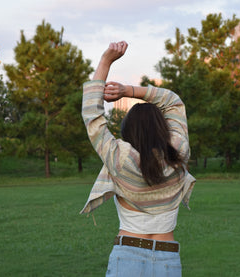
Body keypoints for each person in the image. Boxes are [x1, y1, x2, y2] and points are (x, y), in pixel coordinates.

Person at [80, 41, 196, 277]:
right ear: (163, 128)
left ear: (128, 132)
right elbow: (173, 101)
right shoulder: (179, 153)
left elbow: (92, 114)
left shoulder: (120, 158)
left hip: (127, 257)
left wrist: (105, 61)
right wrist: (129, 91)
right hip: (168, 258)